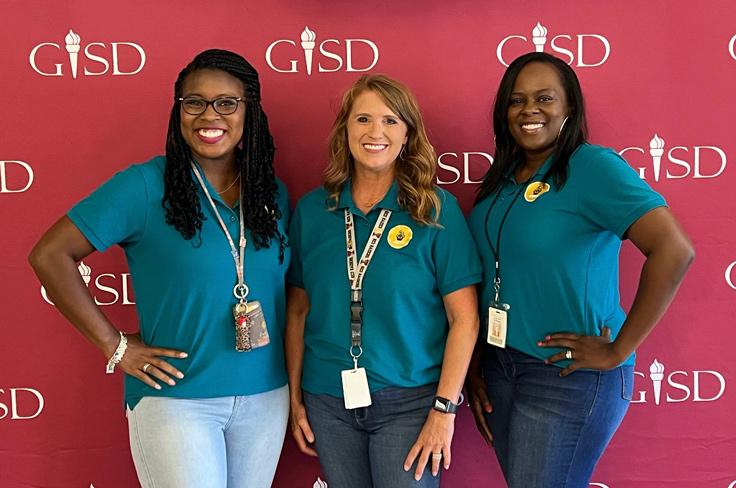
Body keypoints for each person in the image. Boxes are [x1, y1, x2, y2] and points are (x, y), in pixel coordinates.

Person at [28, 49, 290, 488]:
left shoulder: (271, 191)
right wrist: (115, 347)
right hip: (178, 401)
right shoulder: (145, 185)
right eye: (195, 102)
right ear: (179, 111)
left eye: (227, 102)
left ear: (250, 113)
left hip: (265, 396)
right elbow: (50, 255)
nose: (211, 115)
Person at [465, 52, 695, 487]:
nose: (530, 109)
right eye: (517, 100)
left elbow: (674, 249)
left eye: (545, 98)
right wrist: (479, 363)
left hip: (567, 375)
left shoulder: (591, 167)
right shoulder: (505, 177)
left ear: (569, 107)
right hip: (504, 367)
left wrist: (617, 349)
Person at [285, 74, 481, 487]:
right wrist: (295, 399)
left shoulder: (434, 210)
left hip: (409, 403)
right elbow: (299, 312)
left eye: (391, 121)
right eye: (363, 120)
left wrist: (444, 411)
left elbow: (464, 319)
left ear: (408, 134)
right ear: (345, 130)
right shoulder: (312, 211)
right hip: (328, 400)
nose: (376, 132)